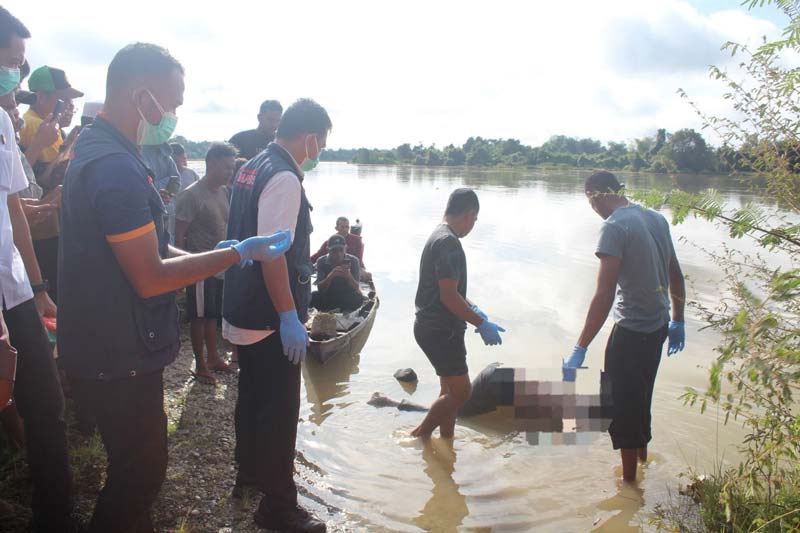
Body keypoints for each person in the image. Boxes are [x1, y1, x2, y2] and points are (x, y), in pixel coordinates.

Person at [58, 42, 290, 532]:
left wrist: (222, 258)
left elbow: (158, 249)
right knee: (140, 471)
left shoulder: (111, 151)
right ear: (143, 97)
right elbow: (148, 276)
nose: (176, 113)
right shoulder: (115, 168)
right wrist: (234, 253)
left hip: (111, 341)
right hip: (115, 349)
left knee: (135, 468)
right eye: (174, 101)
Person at [223, 98, 330, 532]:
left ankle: (247, 476)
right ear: (310, 137)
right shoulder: (284, 177)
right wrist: (289, 316)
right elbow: (273, 256)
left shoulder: (253, 164)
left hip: (243, 306)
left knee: (251, 397)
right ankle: (278, 509)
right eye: (321, 142)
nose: (319, 150)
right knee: (280, 411)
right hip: (268, 315)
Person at [0, 8, 78, 531]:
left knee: (45, 403)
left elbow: (13, 211)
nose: (19, 79)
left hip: (15, 287)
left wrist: (39, 285)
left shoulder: (3, 123)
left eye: (21, 69)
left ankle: (56, 516)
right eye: (11, 64)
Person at [562, 170, 686, 483]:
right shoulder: (655, 218)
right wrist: (677, 319)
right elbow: (675, 274)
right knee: (640, 398)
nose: (592, 208)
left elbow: (604, 295)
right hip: (657, 329)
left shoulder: (614, 227)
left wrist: (580, 347)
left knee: (621, 409)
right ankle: (643, 463)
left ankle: (629, 486)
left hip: (630, 333)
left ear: (595, 195)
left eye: (589, 201)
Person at [411, 188, 506, 439]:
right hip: (441, 330)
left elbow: (449, 290)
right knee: (461, 393)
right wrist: (480, 323)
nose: (472, 226)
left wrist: (474, 309)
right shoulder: (449, 242)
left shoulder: (438, 235)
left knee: (449, 391)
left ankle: (447, 442)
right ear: (469, 214)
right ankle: (419, 436)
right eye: (474, 220)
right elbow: (449, 297)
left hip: (431, 327)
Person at [175, 142, 237, 385]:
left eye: (232, 169)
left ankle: (213, 357)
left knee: (213, 315)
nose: (229, 173)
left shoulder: (224, 192)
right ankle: (200, 364)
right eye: (225, 168)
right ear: (210, 163)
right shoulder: (191, 194)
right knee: (199, 317)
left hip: (219, 265)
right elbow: (179, 235)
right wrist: (180, 273)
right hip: (198, 265)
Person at [19, 65, 83, 175]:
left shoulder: (32, 120)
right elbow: (54, 174)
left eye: (71, 103)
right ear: (41, 97)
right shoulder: (37, 125)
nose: (69, 107)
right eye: (64, 99)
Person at [311, 234, 363, 312]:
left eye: (341, 250)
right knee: (313, 296)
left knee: (358, 298)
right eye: (334, 251)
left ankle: (344, 310)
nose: (338, 254)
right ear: (328, 250)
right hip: (329, 295)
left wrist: (348, 276)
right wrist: (330, 276)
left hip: (347, 295)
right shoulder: (321, 261)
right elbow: (320, 289)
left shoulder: (354, 260)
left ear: (345, 248)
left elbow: (356, 287)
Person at [141, 141, 180, 242]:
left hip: (167, 210)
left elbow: (177, 181)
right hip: (147, 213)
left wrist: (164, 192)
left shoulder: (167, 157)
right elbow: (141, 182)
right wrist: (158, 191)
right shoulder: (138, 152)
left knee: (166, 243)